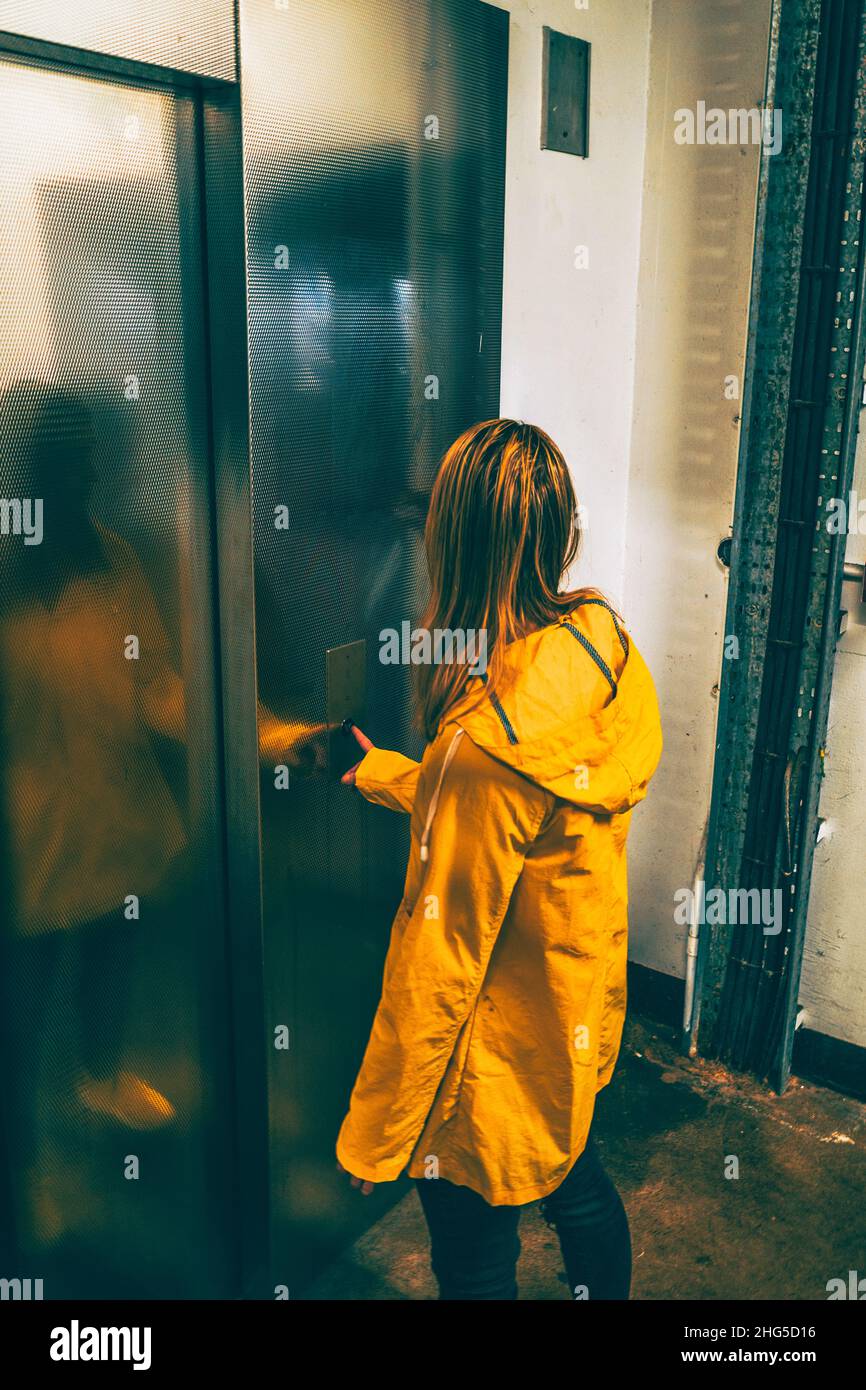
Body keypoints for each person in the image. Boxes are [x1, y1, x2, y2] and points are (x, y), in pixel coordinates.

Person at [335, 418, 662, 1300]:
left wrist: (379, 1132)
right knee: (581, 1193)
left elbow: (437, 963)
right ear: (560, 536)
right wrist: (395, 776)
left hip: (486, 1070)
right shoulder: (600, 649)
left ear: (450, 544)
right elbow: (527, 816)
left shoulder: (483, 742)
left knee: (477, 1260)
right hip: (568, 1026)